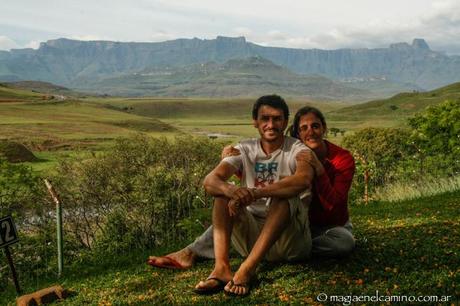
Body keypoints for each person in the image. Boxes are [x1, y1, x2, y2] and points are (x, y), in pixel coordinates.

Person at [148, 104, 356, 290]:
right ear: (296, 132)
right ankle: (196, 253)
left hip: (325, 224)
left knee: (343, 242)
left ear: (324, 128)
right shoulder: (293, 152)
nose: (310, 132)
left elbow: (333, 205)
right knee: (230, 201)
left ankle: (275, 251)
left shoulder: (339, 158)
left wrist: (318, 169)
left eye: (316, 126)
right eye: (304, 128)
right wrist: (235, 179)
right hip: (289, 220)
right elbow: (260, 176)